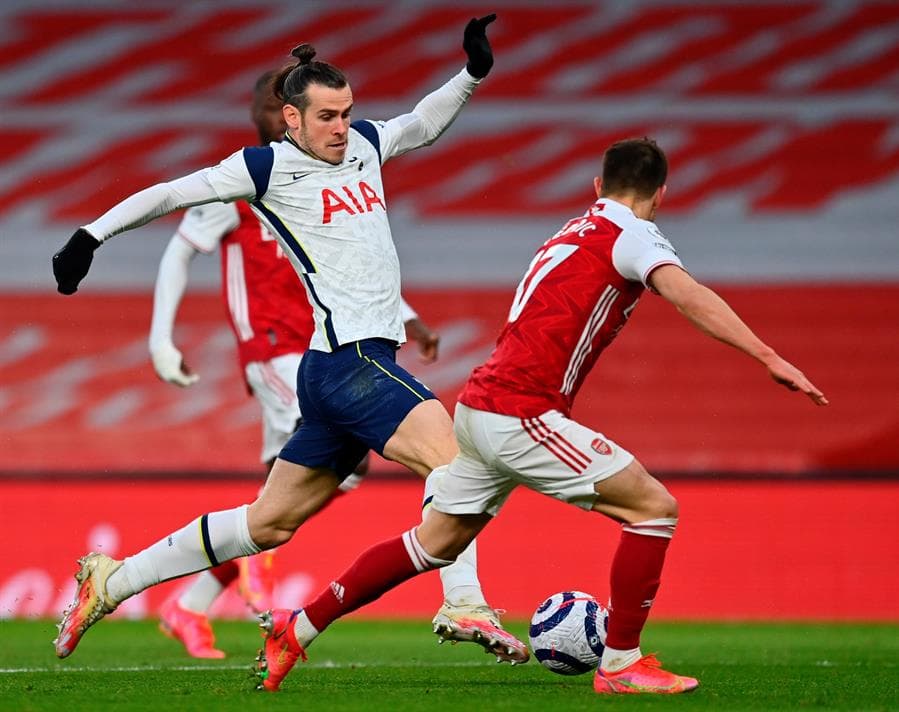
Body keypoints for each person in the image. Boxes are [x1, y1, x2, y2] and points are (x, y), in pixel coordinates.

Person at [246, 137, 829, 693]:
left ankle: (297, 629)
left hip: (478, 404)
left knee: (435, 543)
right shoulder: (635, 235)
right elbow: (687, 293)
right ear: (663, 194)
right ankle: (621, 661)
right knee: (653, 509)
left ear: (598, 183)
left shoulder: (571, 230)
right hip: (520, 410)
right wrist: (769, 356)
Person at [52, 14, 529, 664]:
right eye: (327, 116)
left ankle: (113, 580)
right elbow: (169, 192)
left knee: (266, 524)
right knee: (457, 464)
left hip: (336, 368)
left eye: (347, 112)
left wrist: (471, 73)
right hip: (349, 362)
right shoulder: (263, 168)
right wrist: (90, 236)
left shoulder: (362, 144)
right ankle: (464, 602)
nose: (342, 127)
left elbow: (419, 123)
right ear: (291, 119)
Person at [149, 71, 440, 659]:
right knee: (294, 454)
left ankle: (192, 601)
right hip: (273, 342)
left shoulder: (320, 180)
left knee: (340, 473)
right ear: (281, 114)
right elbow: (179, 250)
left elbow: (352, 262)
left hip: (320, 340)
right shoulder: (241, 183)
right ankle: (257, 573)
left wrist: (406, 316)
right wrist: (161, 338)